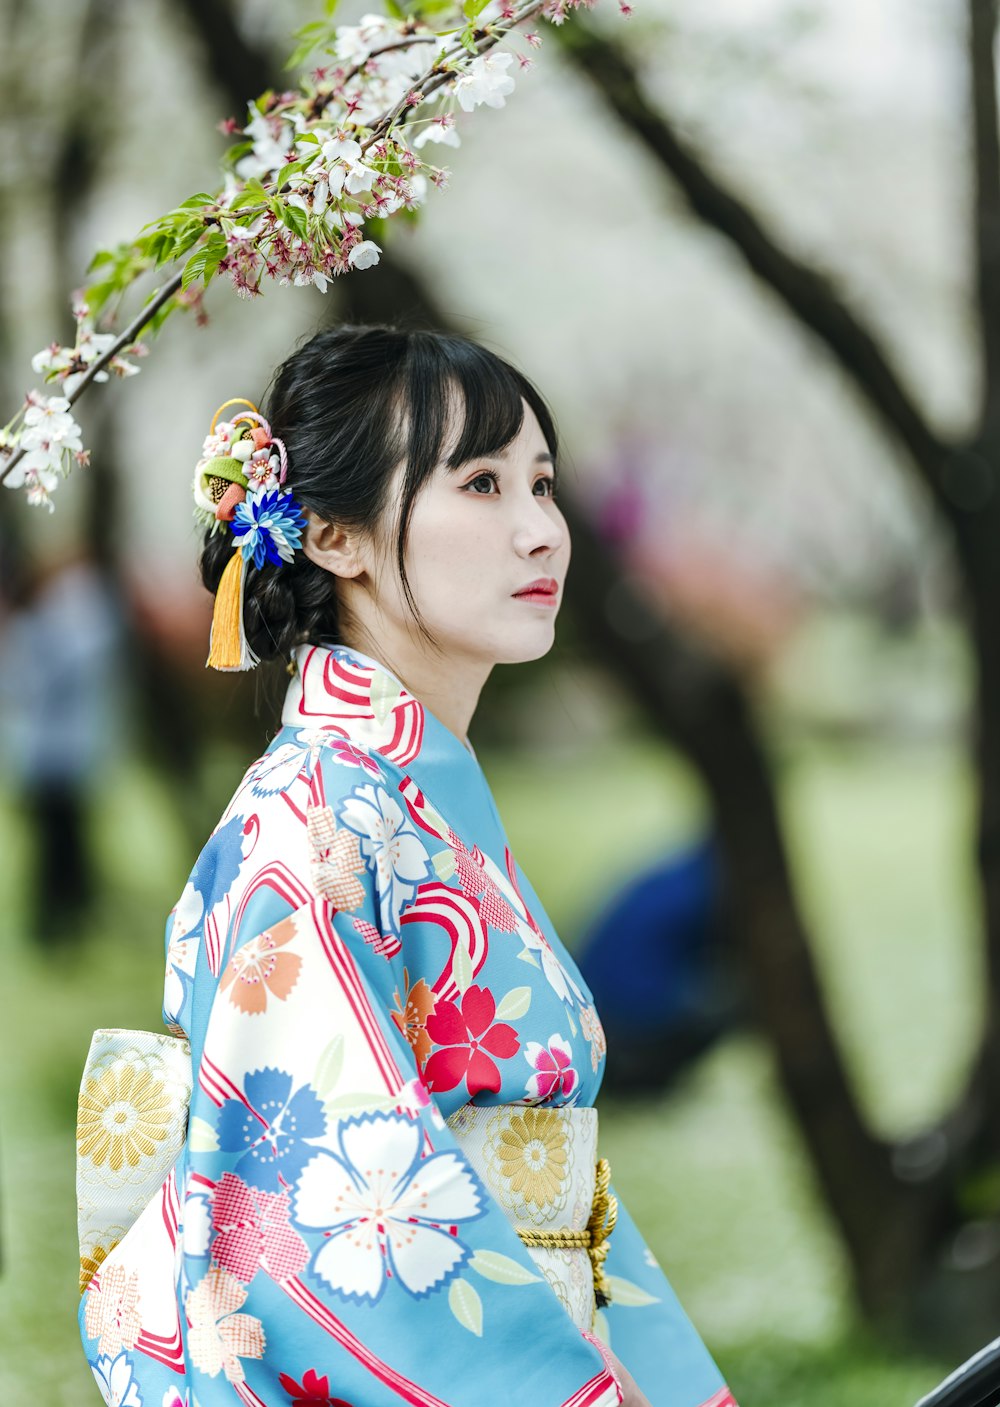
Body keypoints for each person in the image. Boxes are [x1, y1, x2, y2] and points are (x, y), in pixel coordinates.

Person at [76, 326, 737, 1407]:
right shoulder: (316, 824)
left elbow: (546, 1205)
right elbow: (325, 1217)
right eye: (479, 484)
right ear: (333, 534)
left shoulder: (397, 799)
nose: (540, 532)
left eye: (541, 483)